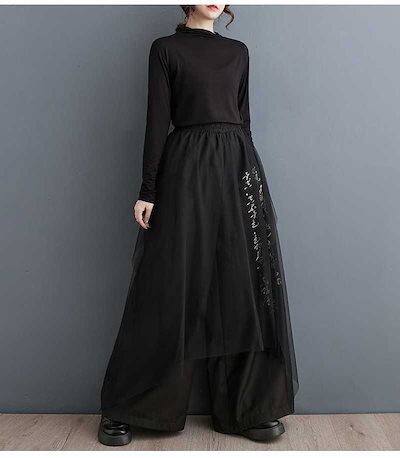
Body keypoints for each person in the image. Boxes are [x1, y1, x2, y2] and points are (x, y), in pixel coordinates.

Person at [98, 4, 299, 446]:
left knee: (241, 282)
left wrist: (252, 184)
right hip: (186, 168)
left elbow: (245, 122)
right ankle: (133, 406)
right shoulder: (165, 49)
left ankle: (248, 406)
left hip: (237, 167)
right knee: (170, 282)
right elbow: (156, 121)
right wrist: (148, 189)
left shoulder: (239, 52)